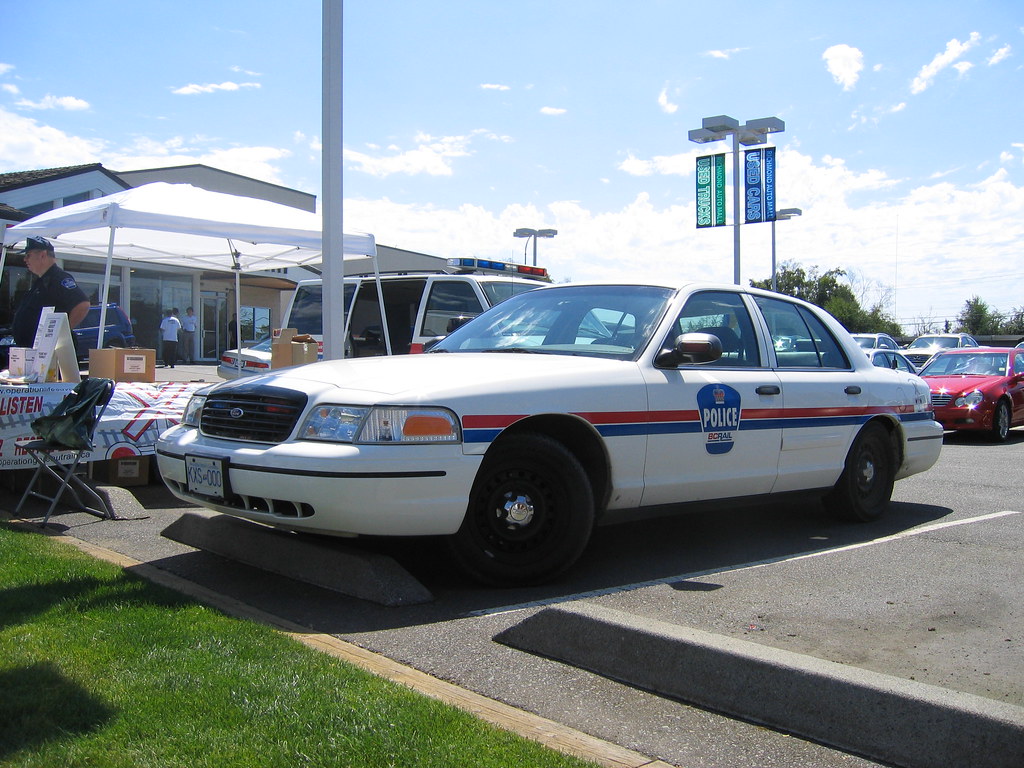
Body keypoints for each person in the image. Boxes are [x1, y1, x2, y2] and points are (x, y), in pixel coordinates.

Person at [10, 236, 90, 351]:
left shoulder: (58, 278)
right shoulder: (41, 281)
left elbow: (82, 305)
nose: (25, 259)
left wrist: (60, 335)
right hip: (35, 350)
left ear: (42, 255)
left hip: (49, 351)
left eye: (28, 255)